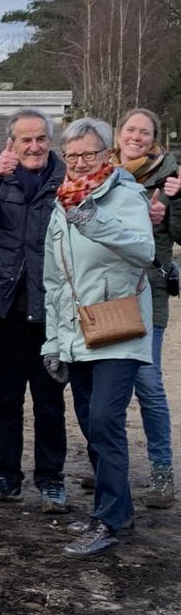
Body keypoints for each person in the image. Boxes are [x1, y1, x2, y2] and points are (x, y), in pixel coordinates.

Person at [42, 118, 154, 558]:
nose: (80, 162)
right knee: (93, 425)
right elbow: (55, 281)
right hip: (78, 333)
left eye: (89, 154)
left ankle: (107, 520)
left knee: (106, 421)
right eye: (71, 155)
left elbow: (144, 250)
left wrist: (91, 218)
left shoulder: (125, 195)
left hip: (117, 327)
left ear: (107, 154)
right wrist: (53, 342)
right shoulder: (61, 203)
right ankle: (118, 510)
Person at [0, 109, 69, 512]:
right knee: (2, 400)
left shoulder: (67, 181)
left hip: (50, 312)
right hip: (2, 305)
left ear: (51, 141)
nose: (34, 146)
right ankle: (5, 475)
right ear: (12, 143)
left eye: (41, 138)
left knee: (49, 402)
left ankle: (51, 480)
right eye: (26, 139)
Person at [110, 108, 181, 508]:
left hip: (148, 292)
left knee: (148, 382)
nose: (136, 137)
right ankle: (110, 467)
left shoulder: (170, 177)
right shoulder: (103, 171)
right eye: (131, 130)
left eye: (145, 132)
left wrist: (173, 206)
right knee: (109, 385)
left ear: (155, 139)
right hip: (106, 293)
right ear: (119, 134)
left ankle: (162, 472)